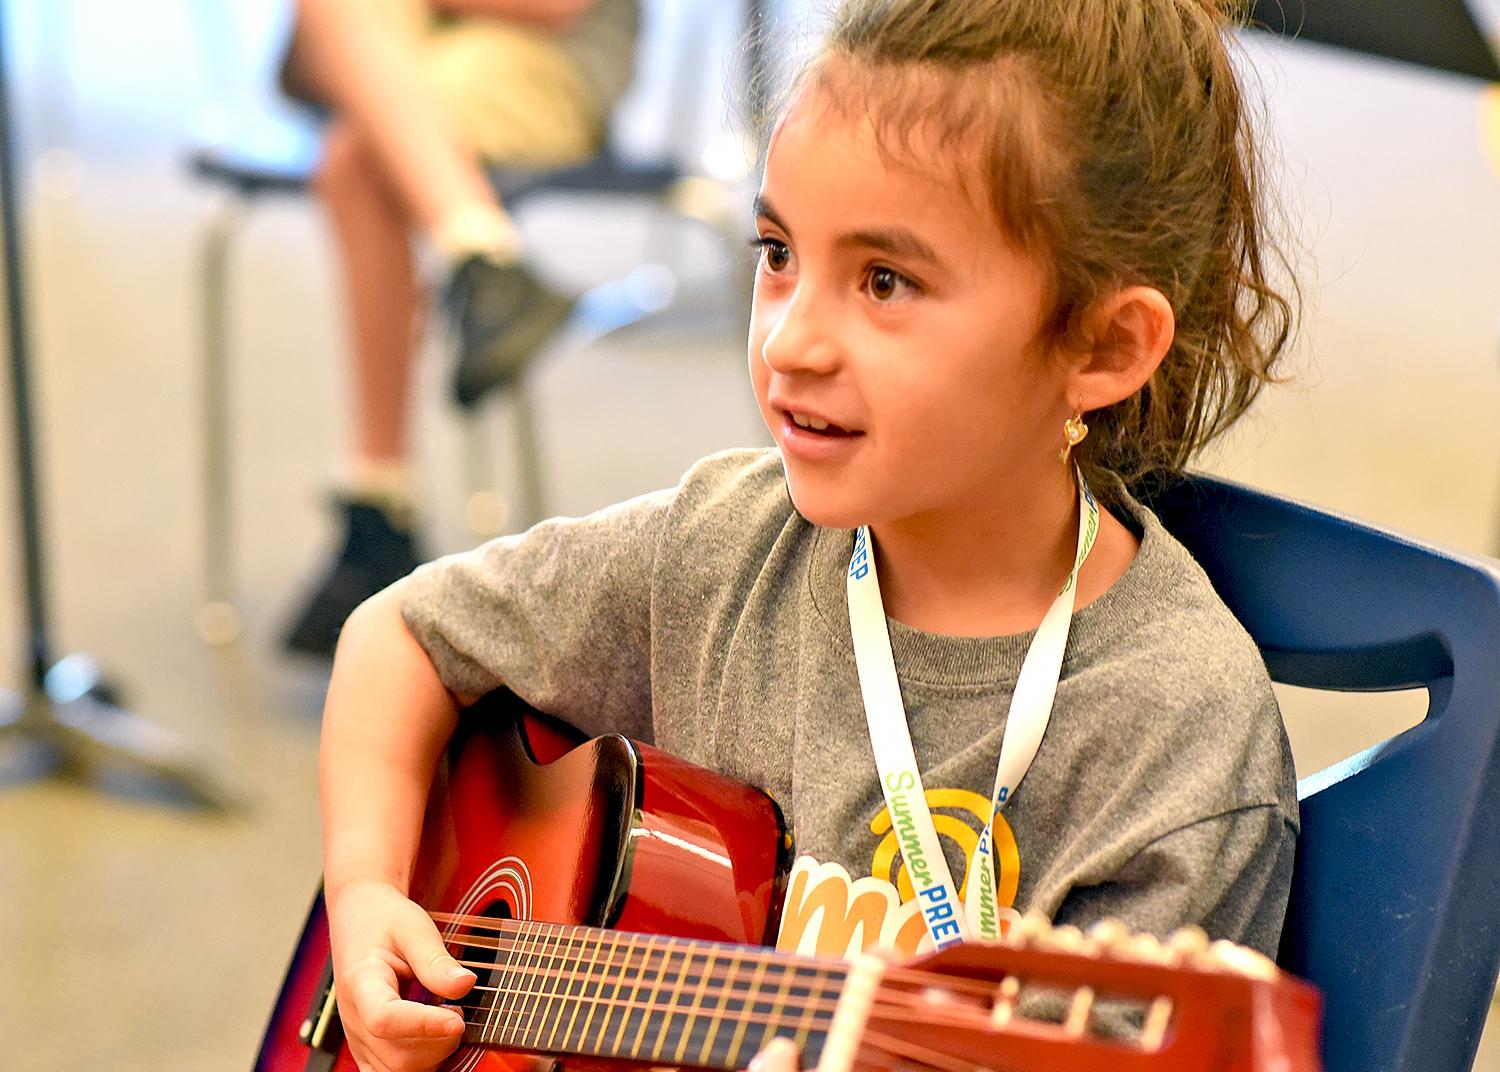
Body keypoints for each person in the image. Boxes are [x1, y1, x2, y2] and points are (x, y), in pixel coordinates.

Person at [318, 0, 1301, 1069]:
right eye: (778, 251)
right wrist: (365, 896)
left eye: (885, 281)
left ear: (1104, 346)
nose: (789, 341)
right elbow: (403, 633)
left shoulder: (1171, 737)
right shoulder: (723, 550)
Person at [280, 0, 640, 658]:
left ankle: (377, 506)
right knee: (358, 121)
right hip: (398, 47)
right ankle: (484, 255)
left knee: (358, 158)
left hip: (546, 52)